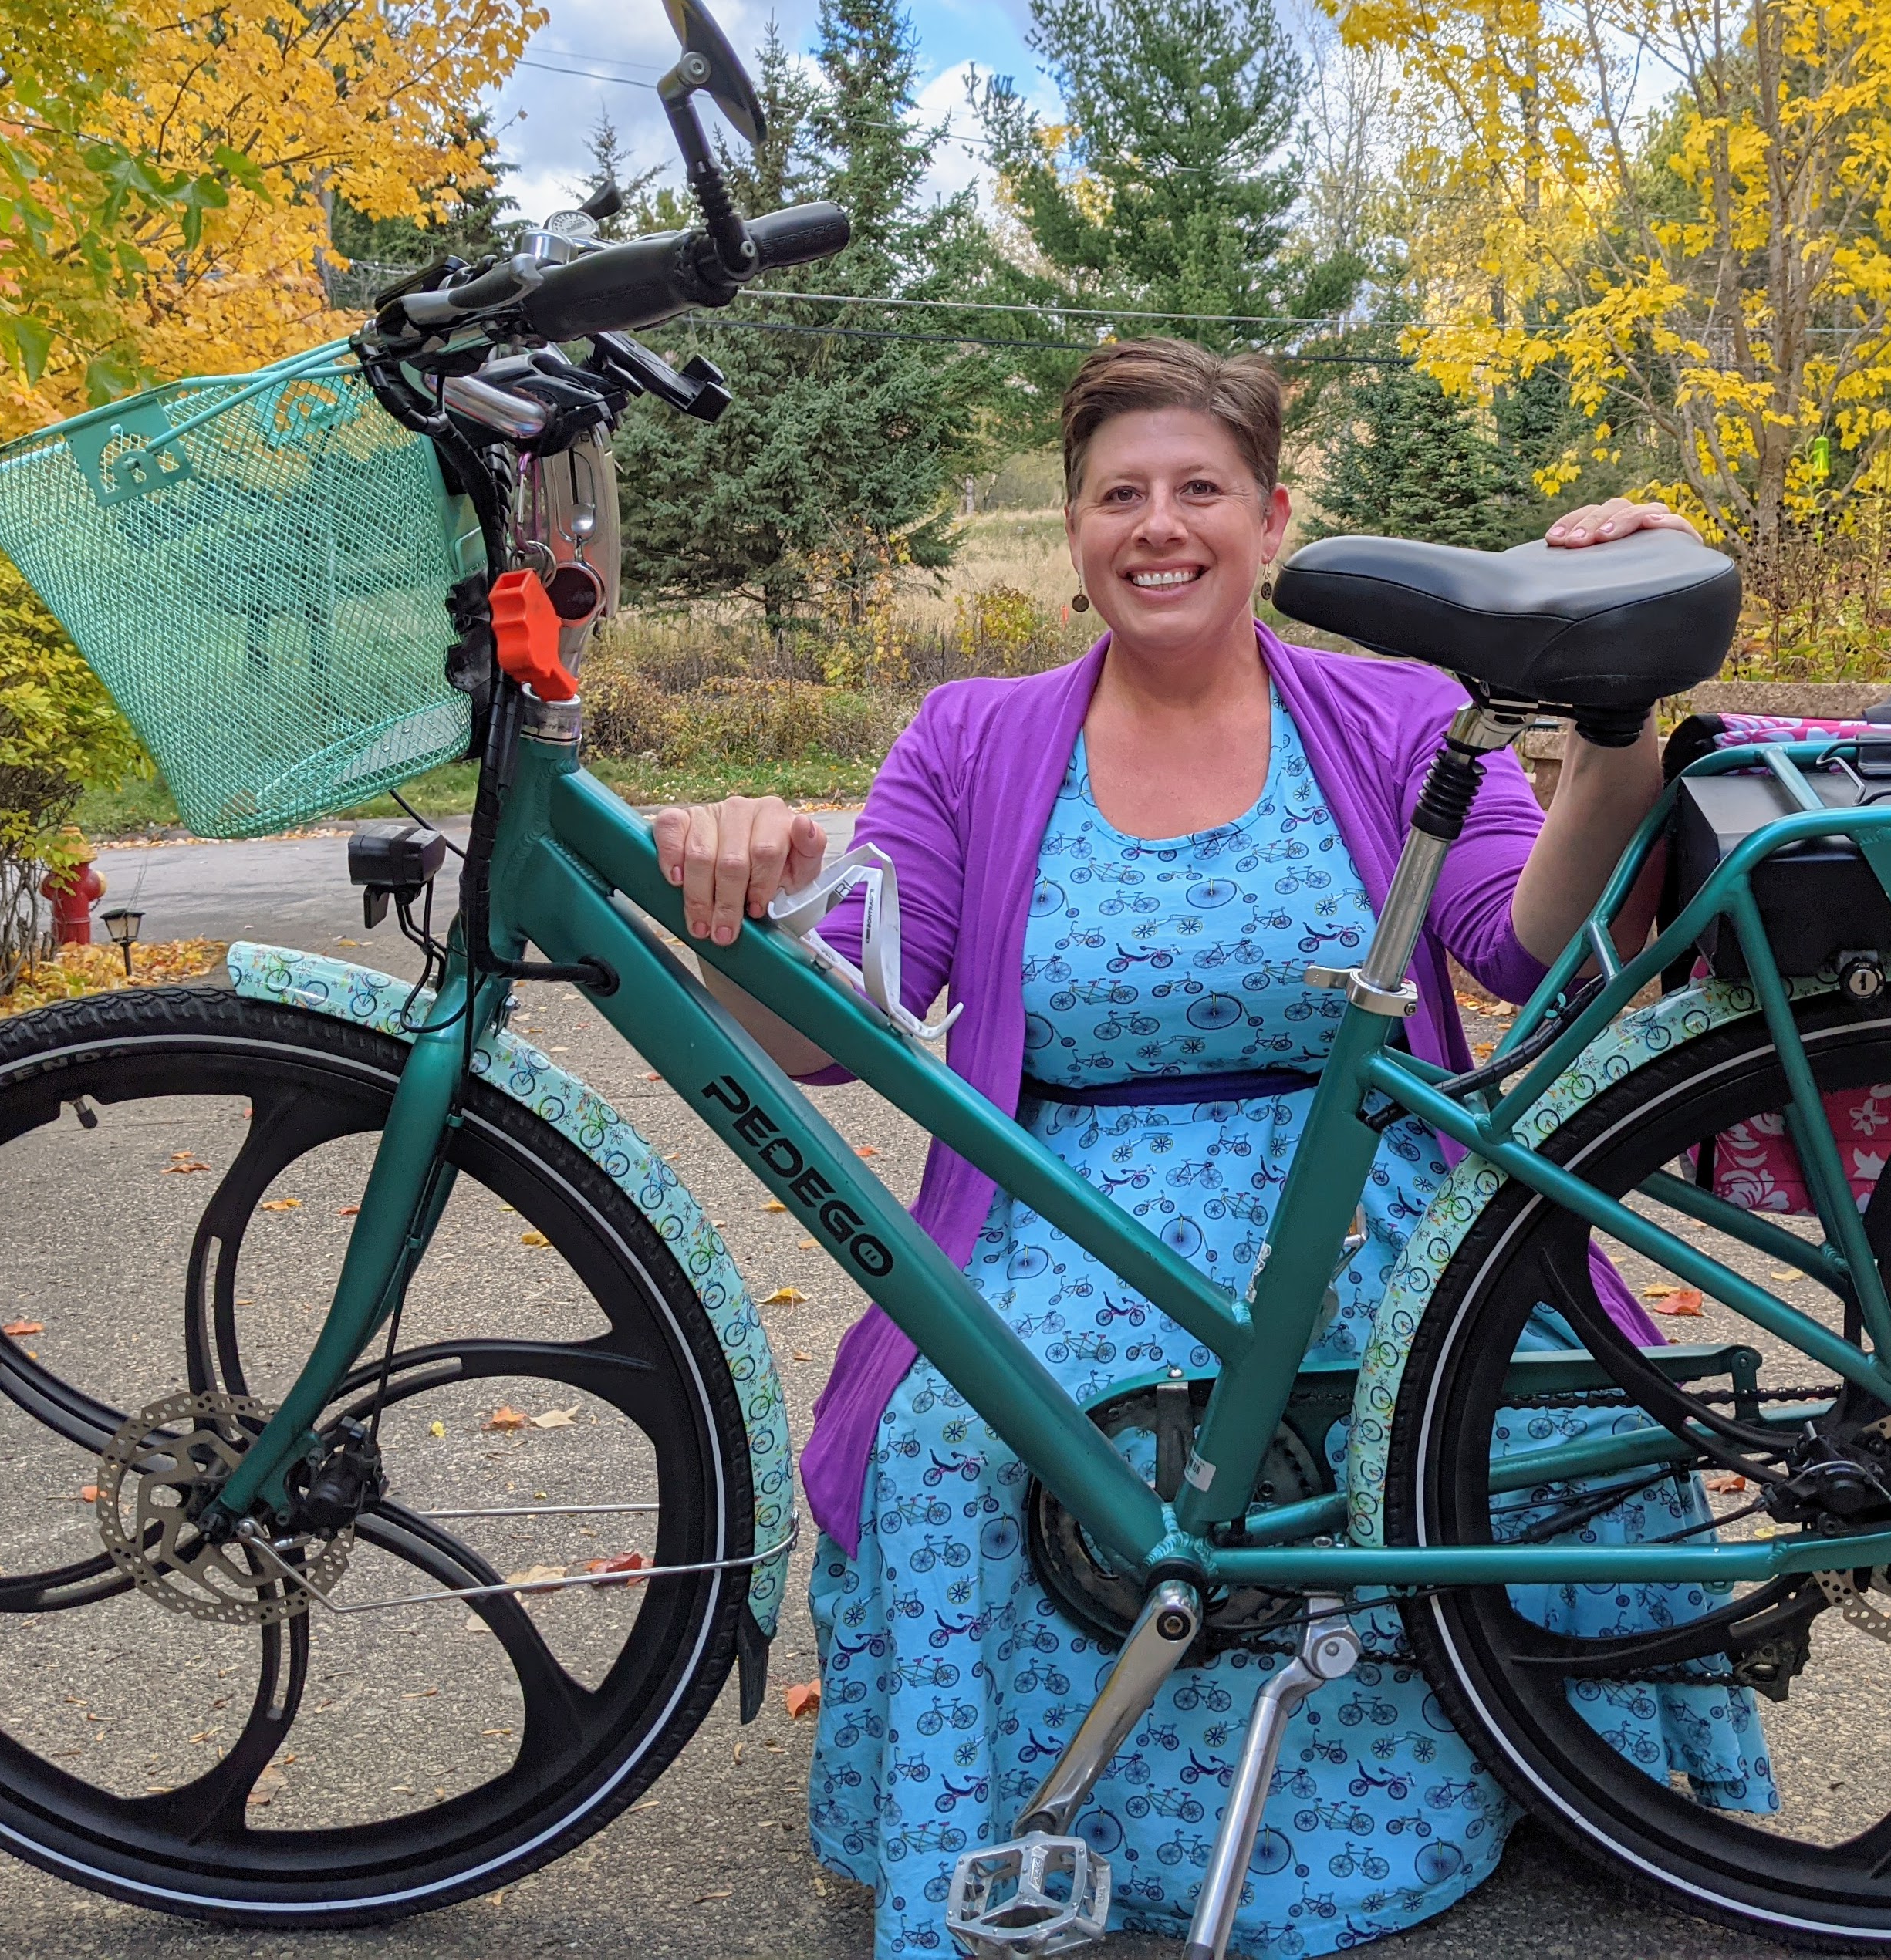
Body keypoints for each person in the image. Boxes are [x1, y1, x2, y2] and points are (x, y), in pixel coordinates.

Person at [653, 339, 1771, 1958]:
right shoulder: (973, 735)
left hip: (1367, 1187)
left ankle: (1502, 1781)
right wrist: (741, 912)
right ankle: (1019, 1832)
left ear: (1269, 520)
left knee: (1544, 1415)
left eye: (1198, 490)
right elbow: (832, 1026)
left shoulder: (1394, 711)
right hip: (1066, 1202)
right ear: (1074, 528)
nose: (1157, 524)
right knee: (951, 1450)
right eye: (1120, 493)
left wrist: (1616, 709)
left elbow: (1519, 943)